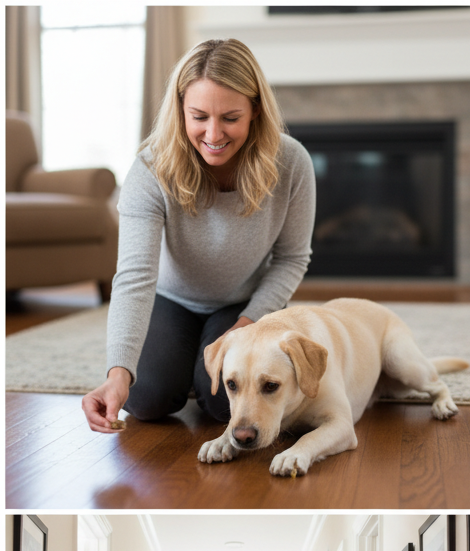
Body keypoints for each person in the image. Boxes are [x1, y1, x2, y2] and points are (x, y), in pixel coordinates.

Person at [82, 37, 315, 433]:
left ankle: (199, 375)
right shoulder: (150, 168)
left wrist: (249, 323)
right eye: (199, 116)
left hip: (242, 304)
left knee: (225, 403)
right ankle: (182, 369)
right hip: (171, 298)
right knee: (147, 398)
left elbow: (293, 258)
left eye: (230, 117)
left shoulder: (291, 162)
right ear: (180, 111)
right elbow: (135, 275)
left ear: (255, 111)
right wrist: (118, 372)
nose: (213, 133)